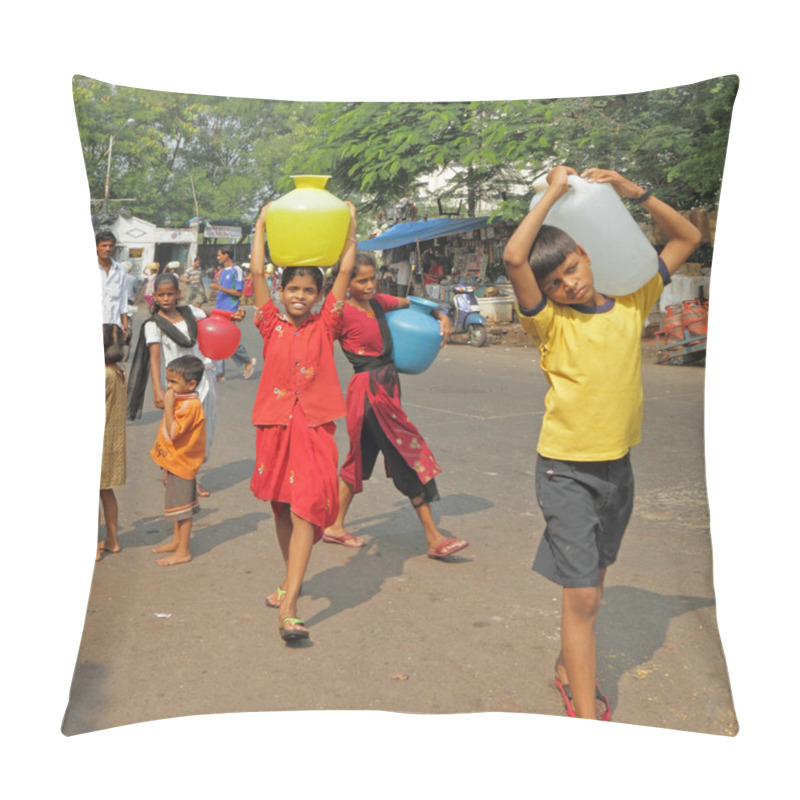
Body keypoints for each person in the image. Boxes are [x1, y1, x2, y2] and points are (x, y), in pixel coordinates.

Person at [503, 165, 701, 721]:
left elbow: (688, 237)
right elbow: (516, 258)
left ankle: (570, 665)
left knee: (593, 581)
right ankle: (585, 716)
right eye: (557, 282)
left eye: (571, 268)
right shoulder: (550, 323)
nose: (569, 284)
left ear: (587, 254)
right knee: (584, 595)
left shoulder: (633, 301)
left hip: (618, 470)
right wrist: (554, 194)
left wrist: (632, 192)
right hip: (565, 470)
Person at [248, 201, 354, 642]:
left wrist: (350, 226)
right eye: (292, 288)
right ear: (282, 289)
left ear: (317, 296)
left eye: (308, 291)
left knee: (307, 506)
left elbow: (345, 274)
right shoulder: (269, 323)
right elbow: (256, 274)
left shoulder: (325, 324)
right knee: (281, 508)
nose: (299, 296)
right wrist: (261, 225)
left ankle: (289, 605)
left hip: (314, 428)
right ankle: (291, 578)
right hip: (274, 424)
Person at [323, 252, 469, 560]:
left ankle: (335, 526)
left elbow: (418, 305)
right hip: (369, 394)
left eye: (372, 278)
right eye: (360, 280)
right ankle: (433, 537)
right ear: (346, 282)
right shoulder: (339, 313)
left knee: (359, 460)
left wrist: (442, 316)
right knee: (406, 455)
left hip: (386, 388)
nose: (369, 285)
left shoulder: (378, 304)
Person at [127, 272, 238, 497]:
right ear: (155, 297)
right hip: (178, 386)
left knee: (204, 432)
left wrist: (232, 316)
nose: (166, 298)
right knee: (183, 434)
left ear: (178, 294)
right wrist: (158, 390)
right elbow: (155, 359)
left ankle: (186, 471)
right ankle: (186, 478)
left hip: (203, 378)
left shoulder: (190, 313)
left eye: (170, 294)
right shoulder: (153, 325)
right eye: (161, 295)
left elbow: (211, 316)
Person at [149, 355, 207, 566]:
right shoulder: (182, 400)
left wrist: (168, 406)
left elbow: (173, 432)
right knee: (177, 508)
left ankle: (183, 550)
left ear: (191, 384)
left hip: (183, 464)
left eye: (173, 382)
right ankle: (176, 541)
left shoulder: (190, 406)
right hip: (175, 462)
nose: (169, 386)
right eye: (168, 381)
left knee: (183, 510)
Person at [98, 323, 127, 562]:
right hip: (113, 442)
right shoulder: (116, 371)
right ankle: (112, 539)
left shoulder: (102, 374)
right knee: (106, 492)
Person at [210, 248, 257, 380]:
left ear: (226, 255)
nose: (217, 257)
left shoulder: (237, 271)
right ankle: (220, 373)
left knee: (228, 340)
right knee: (219, 340)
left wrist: (219, 287)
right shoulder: (222, 271)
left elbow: (238, 293)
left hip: (229, 311)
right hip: (219, 309)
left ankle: (247, 361)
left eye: (219, 255)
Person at [96, 229, 130, 343]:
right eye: (104, 245)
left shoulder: (120, 270)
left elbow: (123, 301)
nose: (107, 249)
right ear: (96, 247)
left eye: (110, 246)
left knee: (112, 359)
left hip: (114, 328)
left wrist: (125, 326)